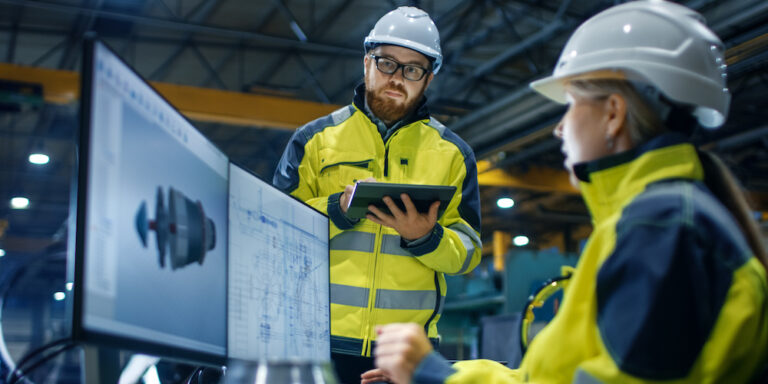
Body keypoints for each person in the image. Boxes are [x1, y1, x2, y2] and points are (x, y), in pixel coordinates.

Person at [365, 1, 768, 383]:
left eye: (571, 103)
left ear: (613, 114)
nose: (560, 128)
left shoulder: (662, 229)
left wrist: (434, 374)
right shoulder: (659, 223)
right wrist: (438, 373)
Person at [272, 6, 482, 383]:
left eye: (413, 69)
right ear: (366, 62)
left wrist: (426, 237)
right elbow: (275, 230)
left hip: (404, 351)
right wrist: (338, 209)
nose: (398, 78)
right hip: (314, 341)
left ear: (428, 78)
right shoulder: (314, 141)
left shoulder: (454, 155)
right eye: (387, 63)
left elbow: (468, 252)